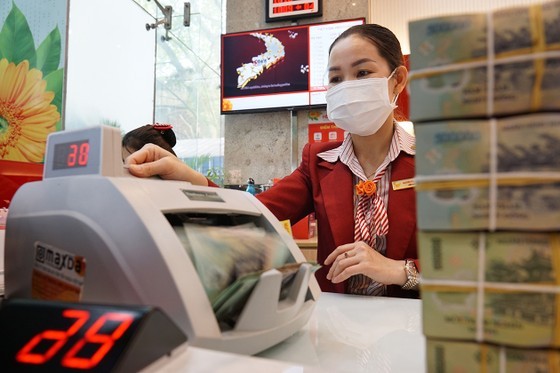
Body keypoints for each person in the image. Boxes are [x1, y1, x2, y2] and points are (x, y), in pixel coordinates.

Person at [125, 24, 419, 298]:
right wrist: (184, 174)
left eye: (363, 73)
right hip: (337, 325)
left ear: (398, 80)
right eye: (336, 79)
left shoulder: (433, 164)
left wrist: (399, 270)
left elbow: (464, 259)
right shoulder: (318, 162)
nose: (347, 86)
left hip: (410, 328)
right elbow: (253, 211)